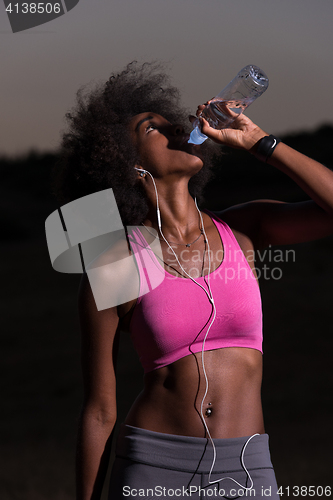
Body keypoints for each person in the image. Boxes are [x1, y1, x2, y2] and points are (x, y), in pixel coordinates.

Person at [53, 62, 333, 500]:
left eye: (174, 122)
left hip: (248, 468)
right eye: (152, 129)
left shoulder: (243, 230)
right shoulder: (117, 265)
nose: (178, 129)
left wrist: (261, 144)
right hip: (153, 467)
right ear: (128, 168)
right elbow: (99, 411)